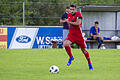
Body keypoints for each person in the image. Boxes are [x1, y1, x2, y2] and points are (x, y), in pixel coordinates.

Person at [63, 4, 93, 70]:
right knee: (65, 43)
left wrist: (69, 22)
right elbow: (67, 21)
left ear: (76, 10)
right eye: (71, 9)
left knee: (84, 50)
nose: (72, 11)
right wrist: (67, 21)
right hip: (71, 35)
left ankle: (89, 63)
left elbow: (78, 23)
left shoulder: (79, 14)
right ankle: (71, 57)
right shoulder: (69, 15)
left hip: (78, 36)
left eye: (73, 9)